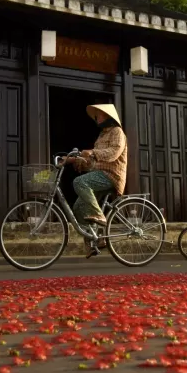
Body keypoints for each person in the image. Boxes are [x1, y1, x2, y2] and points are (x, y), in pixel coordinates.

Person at [64, 104, 128, 258]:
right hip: (99, 174)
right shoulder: (101, 136)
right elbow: (93, 161)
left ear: (108, 116)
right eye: (96, 116)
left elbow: (113, 153)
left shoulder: (117, 132)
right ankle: (94, 240)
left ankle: (99, 215)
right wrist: (71, 160)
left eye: (99, 115)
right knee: (79, 207)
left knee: (79, 182)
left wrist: (92, 152)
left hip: (112, 175)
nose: (96, 118)